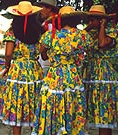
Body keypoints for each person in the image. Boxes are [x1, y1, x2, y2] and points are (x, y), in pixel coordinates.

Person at [32, 6, 92, 135]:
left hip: (55, 76)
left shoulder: (50, 35)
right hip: (73, 76)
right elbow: (87, 51)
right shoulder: (82, 35)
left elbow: (42, 53)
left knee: (53, 104)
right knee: (73, 104)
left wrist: (52, 56)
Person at [0, 1, 44, 135]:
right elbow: (43, 52)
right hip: (35, 70)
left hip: (18, 70)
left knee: (17, 103)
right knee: (34, 103)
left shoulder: (11, 32)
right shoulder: (39, 32)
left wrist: (7, 65)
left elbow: (8, 53)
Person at [83, 5, 118, 135]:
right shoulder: (90, 32)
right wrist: (90, 26)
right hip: (91, 75)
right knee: (93, 113)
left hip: (105, 76)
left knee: (105, 114)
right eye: (90, 18)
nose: (91, 21)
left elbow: (102, 43)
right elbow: (78, 37)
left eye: (95, 18)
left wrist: (102, 26)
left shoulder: (112, 31)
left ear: (103, 19)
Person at [35, 0, 59, 76]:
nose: (40, 10)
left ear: (49, 9)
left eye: (42, 7)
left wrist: (45, 57)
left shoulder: (51, 25)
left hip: (47, 61)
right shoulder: (46, 23)